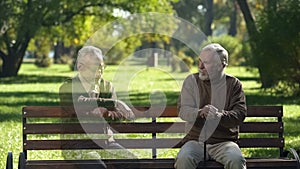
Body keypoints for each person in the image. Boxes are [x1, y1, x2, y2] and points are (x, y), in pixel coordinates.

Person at [59, 45, 135, 168]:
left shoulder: (107, 86)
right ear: (80, 67)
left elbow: (121, 114)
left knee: (132, 163)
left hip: (105, 143)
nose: (100, 71)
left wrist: (106, 113)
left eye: (101, 66)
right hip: (76, 145)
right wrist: (111, 103)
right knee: (98, 167)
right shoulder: (68, 87)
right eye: (95, 67)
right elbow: (78, 106)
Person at [174, 43, 247, 169]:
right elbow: (182, 110)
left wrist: (219, 115)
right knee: (184, 159)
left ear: (221, 65)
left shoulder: (233, 84)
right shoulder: (191, 81)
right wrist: (200, 112)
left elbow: (240, 114)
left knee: (236, 160)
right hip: (195, 142)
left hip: (224, 143)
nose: (200, 66)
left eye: (206, 63)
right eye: (200, 61)